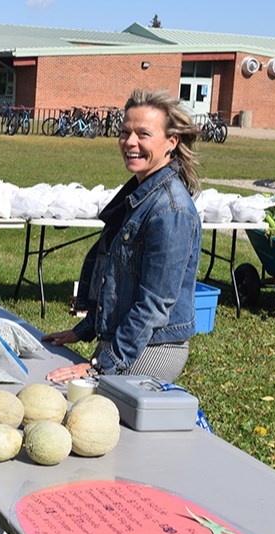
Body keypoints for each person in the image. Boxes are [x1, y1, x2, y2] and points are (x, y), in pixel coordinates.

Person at [44, 88, 201, 383]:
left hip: (152, 348)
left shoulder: (170, 209)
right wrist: (84, 330)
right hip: (125, 342)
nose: (130, 142)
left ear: (171, 142)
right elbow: (118, 283)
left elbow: (155, 303)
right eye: (124, 132)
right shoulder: (141, 192)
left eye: (143, 134)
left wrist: (101, 367)